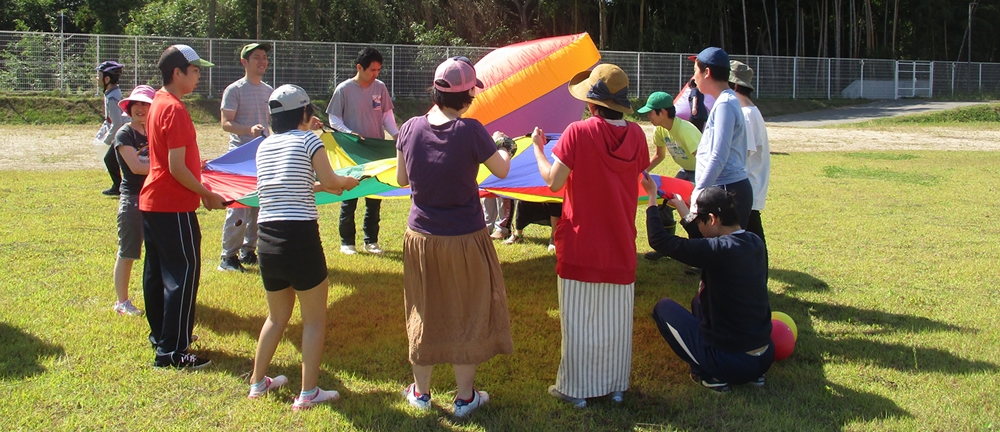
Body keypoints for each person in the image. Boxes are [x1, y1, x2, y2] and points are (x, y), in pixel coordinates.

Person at [395, 56, 514, 418]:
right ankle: (465, 398)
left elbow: (402, 180)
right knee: (468, 311)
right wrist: (505, 146)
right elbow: (502, 170)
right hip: (466, 238)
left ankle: (421, 393)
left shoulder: (410, 127)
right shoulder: (473, 130)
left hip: (422, 238)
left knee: (423, 310)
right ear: (467, 97)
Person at [530, 64, 649, 407]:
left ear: (592, 104)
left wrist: (538, 148)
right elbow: (642, 177)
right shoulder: (638, 135)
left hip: (582, 241)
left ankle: (575, 388)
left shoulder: (577, 133)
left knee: (579, 320)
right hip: (621, 240)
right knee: (616, 321)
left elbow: (553, 182)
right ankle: (614, 386)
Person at [247, 84, 359, 411]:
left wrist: (326, 184)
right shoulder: (310, 139)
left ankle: (257, 383)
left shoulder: (264, 146)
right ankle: (308, 393)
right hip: (300, 239)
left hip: (266, 240)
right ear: (306, 114)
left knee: (276, 317)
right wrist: (347, 182)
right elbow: (333, 180)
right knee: (313, 320)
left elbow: (289, 183)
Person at [642, 180, 774, 393]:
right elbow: (704, 241)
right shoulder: (753, 242)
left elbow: (659, 240)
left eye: (699, 220)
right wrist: (683, 209)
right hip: (765, 356)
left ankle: (710, 375)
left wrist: (651, 198)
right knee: (699, 302)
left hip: (731, 364)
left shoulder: (717, 250)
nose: (698, 226)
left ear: (712, 219)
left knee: (663, 308)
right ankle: (754, 375)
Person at [141, 45, 225, 369]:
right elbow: (176, 168)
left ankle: (162, 337)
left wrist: (198, 164)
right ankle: (174, 352)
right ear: (177, 73)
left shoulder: (158, 103)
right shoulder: (174, 109)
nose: (199, 75)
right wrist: (205, 193)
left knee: (157, 273)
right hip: (173, 206)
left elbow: (170, 157)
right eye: (195, 70)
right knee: (183, 273)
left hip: (153, 203)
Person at [326, 47, 399, 255]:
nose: (376, 74)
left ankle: (371, 241)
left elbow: (387, 118)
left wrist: (397, 136)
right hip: (352, 153)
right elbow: (334, 120)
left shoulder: (380, 87)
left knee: (374, 197)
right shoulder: (343, 89)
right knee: (349, 198)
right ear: (359, 67)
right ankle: (346, 242)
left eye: (378, 70)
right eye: (372, 70)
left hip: (376, 152)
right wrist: (349, 133)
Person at [217, 43, 274, 272]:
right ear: (245, 62)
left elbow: (274, 120)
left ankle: (249, 251)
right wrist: (248, 130)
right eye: (257, 57)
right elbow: (225, 124)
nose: (262, 61)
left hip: (263, 156)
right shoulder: (234, 90)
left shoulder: (269, 90)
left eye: (264, 57)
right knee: (238, 206)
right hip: (240, 158)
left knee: (258, 205)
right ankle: (228, 257)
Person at [690, 47, 752, 232]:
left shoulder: (725, 103)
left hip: (728, 189)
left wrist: (698, 191)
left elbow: (718, 155)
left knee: (728, 253)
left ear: (707, 72)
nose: (694, 77)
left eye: (695, 71)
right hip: (723, 188)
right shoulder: (724, 101)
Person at [636, 91, 702, 260]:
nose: (648, 116)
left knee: (695, 209)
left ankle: (699, 251)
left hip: (701, 172)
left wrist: (699, 186)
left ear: (663, 112)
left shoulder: (685, 130)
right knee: (663, 199)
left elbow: (704, 160)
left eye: (651, 112)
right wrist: (640, 172)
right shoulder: (659, 130)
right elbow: (659, 156)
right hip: (686, 171)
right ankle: (664, 247)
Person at [111, 85, 156, 317]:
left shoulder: (156, 132)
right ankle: (122, 302)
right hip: (132, 200)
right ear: (128, 108)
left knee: (157, 251)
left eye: (146, 104)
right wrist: (169, 168)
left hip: (156, 198)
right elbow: (137, 167)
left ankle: (158, 297)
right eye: (137, 104)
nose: (141, 108)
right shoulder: (124, 134)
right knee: (128, 252)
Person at [730, 60, 771, 248]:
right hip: (749, 186)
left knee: (750, 233)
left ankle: (758, 268)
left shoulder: (746, 114)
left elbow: (742, 155)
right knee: (751, 232)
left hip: (747, 185)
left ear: (735, 86)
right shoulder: (750, 111)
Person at [95, 61, 126, 196]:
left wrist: (107, 140)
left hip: (122, 133)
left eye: (99, 75)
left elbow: (117, 122)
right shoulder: (111, 93)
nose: (97, 78)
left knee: (110, 159)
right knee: (114, 160)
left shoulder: (112, 97)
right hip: (120, 131)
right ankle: (119, 186)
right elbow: (110, 119)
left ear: (107, 79)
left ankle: (118, 186)